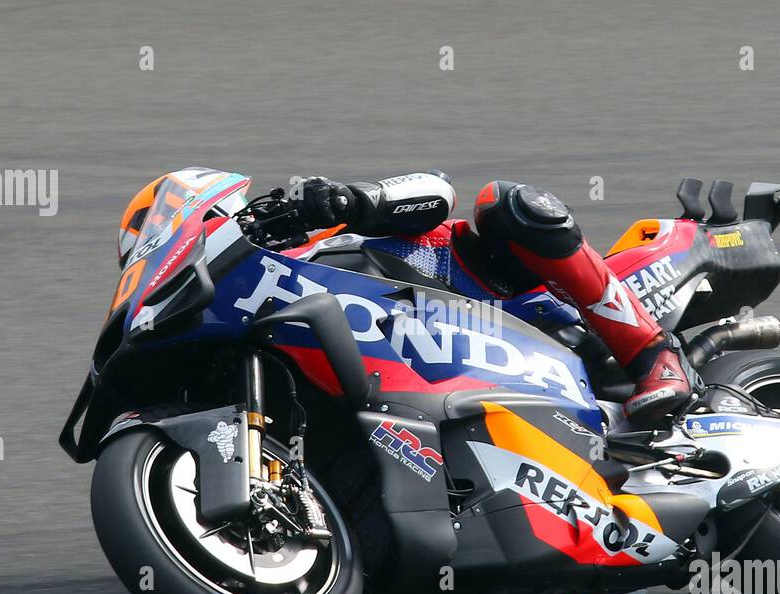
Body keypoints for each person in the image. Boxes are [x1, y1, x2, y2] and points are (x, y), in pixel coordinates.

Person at [297, 172, 700, 426]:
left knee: (508, 202)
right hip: (430, 375)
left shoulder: (296, 240)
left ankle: (654, 356)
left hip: (503, 298)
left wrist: (349, 199)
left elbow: (437, 189)